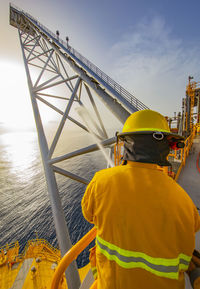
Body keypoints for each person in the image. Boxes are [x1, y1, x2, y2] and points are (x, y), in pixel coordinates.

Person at [81, 109, 200, 289]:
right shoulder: (182, 200)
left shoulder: (100, 181)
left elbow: (88, 215)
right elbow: (193, 228)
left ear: (126, 143)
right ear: (166, 147)